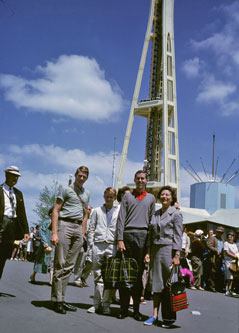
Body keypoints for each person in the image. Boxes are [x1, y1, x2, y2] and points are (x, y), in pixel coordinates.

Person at [116, 170, 155, 321]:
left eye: (143, 178)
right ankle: (123, 309)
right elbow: (121, 218)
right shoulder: (127, 196)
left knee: (138, 275)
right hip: (127, 235)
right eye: (138, 178)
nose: (140, 181)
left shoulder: (151, 198)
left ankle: (136, 310)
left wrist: (149, 248)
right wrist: (120, 239)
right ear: (134, 180)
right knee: (125, 273)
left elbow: (151, 222)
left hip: (143, 236)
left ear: (146, 181)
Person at [51, 165, 90, 314]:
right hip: (65, 224)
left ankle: (62, 298)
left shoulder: (86, 193)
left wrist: (83, 233)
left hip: (77, 228)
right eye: (79, 175)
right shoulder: (66, 189)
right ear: (75, 175)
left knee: (69, 266)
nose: (81, 178)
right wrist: (54, 232)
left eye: (84, 176)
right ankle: (56, 300)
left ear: (87, 178)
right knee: (60, 263)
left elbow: (85, 214)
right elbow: (56, 210)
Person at [143, 185, 182, 328]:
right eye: (163, 194)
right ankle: (154, 315)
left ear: (172, 198)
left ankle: (168, 317)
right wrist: (148, 252)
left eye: (168, 195)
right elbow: (150, 235)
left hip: (168, 251)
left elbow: (178, 236)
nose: (165, 197)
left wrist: (177, 255)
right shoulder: (155, 214)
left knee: (168, 285)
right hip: (155, 251)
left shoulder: (176, 214)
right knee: (156, 284)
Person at [87, 187, 120, 315]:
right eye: (107, 196)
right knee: (97, 275)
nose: (109, 199)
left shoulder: (118, 212)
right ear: (104, 196)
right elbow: (91, 228)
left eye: (112, 197)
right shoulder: (96, 211)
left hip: (112, 245)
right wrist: (91, 244)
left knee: (109, 276)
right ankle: (96, 304)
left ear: (115, 198)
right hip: (98, 245)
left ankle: (106, 304)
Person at [0, 166, 29, 279]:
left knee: (3, 258)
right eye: (13, 176)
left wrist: (26, 231)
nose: (15, 178)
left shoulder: (18, 194)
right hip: (1, 223)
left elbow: (22, 214)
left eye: (17, 177)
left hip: (11, 228)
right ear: (7, 175)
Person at [29, 208, 53, 284]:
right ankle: (33, 275)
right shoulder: (46, 222)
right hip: (45, 244)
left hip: (54, 245)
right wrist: (45, 242)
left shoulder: (58, 223)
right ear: (50, 214)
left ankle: (51, 280)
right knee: (40, 260)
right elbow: (42, 232)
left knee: (52, 261)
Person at [206, 226, 225, 292]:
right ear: (216, 232)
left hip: (219, 258)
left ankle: (216, 286)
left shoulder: (222, 240)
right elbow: (209, 245)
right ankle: (212, 286)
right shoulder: (213, 238)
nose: (220, 233)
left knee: (218, 272)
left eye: (221, 232)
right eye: (219, 232)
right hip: (213, 257)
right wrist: (215, 250)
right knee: (212, 272)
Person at [224, 232, 239, 296]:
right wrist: (234, 256)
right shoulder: (226, 243)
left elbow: (237, 252)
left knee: (234, 276)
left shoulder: (235, 244)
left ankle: (231, 290)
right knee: (230, 276)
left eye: (231, 237)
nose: (230, 238)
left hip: (235, 262)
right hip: (228, 261)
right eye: (229, 237)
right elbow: (227, 252)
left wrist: (236, 257)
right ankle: (227, 290)